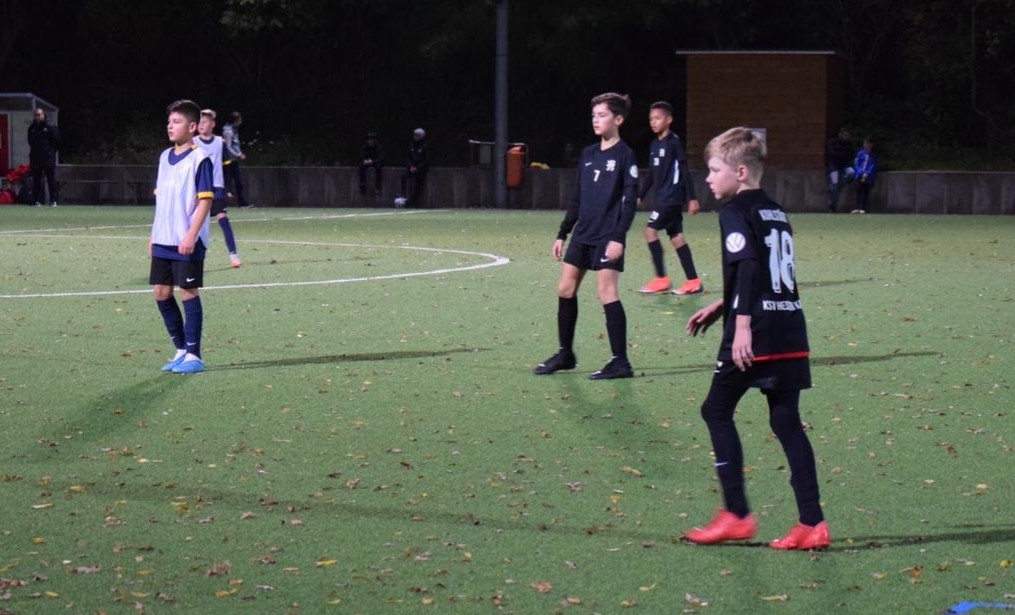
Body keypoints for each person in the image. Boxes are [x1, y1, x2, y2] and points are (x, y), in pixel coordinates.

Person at [683, 126, 829, 550]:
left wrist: (741, 323)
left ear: (741, 172)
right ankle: (813, 523)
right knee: (786, 421)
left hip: (757, 330)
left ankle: (736, 514)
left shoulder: (734, 210)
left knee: (715, 410)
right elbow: (765, 267)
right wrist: (722, 304)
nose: (709, 178)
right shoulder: (776, 211)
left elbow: (747, 264)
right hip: (790, 327)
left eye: (715, 170)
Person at [533, 92, 639, 380]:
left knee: (607, 292)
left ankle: (621, 362)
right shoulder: (589, 154)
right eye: (594, 115)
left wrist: (618, 237)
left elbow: (630, 201)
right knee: (565, 289)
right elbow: (577, 198)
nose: (596, 120)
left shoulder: (625, 155)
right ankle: (565, 354)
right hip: (582, 234)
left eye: (602, 115)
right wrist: (563, 233)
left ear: (618, 119)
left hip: (607, 235)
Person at [150, 99, 214, 375]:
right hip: (163, 238)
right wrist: (153, 234)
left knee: (187, 292)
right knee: (161, 293)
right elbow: (161, 200)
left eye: (176, 122)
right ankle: (180, 350)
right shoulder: (164, 157)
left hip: (187, 240)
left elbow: (205, 201)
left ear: (192, 127)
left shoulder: (200, 159)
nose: (170, 126)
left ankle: (194, 355)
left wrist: (191, 234)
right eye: (168, 122)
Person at [636, 101, 703, 296]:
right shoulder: (655, 144)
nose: (653, 122)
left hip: (671, 198)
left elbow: (684, 170)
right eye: (651, 119)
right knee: (677, 238)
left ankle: (661, 279)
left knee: (650, 232)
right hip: (663, 198)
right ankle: (693, 281)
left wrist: (692, 198)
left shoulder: (674, 143)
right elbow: (652, 173)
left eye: (657, 118)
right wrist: (641, 195)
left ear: (669, 119)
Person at [196, 109, 242, 268]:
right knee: (197, 222)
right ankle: (194, 256)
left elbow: (226, 167)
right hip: (199, 189)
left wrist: (228, 188)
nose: (201, 125)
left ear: (212, 124)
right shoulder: (193, 142)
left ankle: (234, 256)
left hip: (217, 187)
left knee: (223, 219)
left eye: (204, 121)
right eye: (199, 122)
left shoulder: (219, 142)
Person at [27, 107, 60, 206]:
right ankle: (36, 201)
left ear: (43, 115)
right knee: (36, 180)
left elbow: (57, 141)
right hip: (36, 158)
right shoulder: (32, 128)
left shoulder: (50, 126)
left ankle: (53, 200)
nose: (37, 117)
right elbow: (30, 142)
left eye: (39, 115)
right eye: (35, 115)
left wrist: (51, 152)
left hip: (48, 158)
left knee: (51, 179)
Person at [222, 111, 252, 209]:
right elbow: (228, 146)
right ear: (235, 120)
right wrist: (238, 154)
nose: (240, 122)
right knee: (228, 182)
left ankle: (242, 202)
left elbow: (235, 144)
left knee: (238, 182)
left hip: (234, 160)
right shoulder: (228, 131)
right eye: (239, 120)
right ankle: (223, 203)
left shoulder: (234, 130)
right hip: (229, 160)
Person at [398, 128, 429, 206]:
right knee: (404, 177)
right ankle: (403, 195)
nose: (415, 136)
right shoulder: (411, 146)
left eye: (418, 135)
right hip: (411, 168)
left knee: (418, 182)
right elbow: (408, 158)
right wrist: (411, 166)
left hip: (420, 169)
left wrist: (417, 167)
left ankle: (414, 201)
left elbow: (426, 160)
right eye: (415, 135)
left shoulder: (425, 146)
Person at [826, 127, 854, 212]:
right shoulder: (833, 142)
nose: (846, 137)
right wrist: (843, 155)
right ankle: (833, 205)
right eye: (845, 135)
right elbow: (832, 153)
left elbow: (851, 154)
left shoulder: (848, 143)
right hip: (834, 166)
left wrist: (842, 155)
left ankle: (838, 185)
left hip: (844, 166)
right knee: (835, 185)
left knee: (851, 173)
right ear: (840, 134)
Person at [852, 136, 877, 214]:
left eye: (868, 143)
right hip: (860, 174)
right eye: (865, 143)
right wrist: (861, 172)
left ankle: (863, 207)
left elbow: (872, 165)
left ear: (871, 144)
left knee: (865, 191)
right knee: (858, 190)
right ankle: (857, 207)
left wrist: (867, 173)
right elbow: (857, 164)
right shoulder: (860, 153)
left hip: (868, 176)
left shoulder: (873, 155)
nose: (866, 145)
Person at [359, 132, 384, 196]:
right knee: (361, 167)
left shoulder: (378, 147)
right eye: (369, 140)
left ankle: (378, 187)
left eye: (371, 140)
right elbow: (362, 156)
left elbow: (380, 158)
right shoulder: (365, 147)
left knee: (379, 167)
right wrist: (364, 160)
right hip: (367, 162)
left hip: (375, 162)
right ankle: (362, 185)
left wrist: (372, 161)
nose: (370, 141)